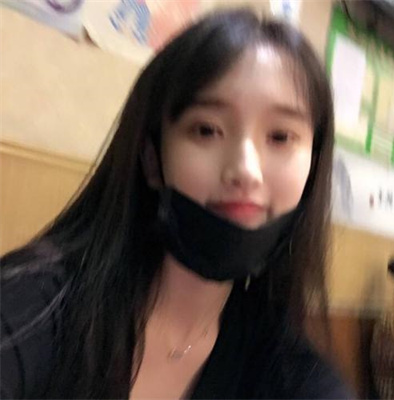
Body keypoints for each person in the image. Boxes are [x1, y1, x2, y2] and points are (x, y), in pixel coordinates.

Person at [1, 8, 354, 399]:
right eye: (206, 130)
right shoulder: (35, 304)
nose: (245, 171)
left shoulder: (288, 368)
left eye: (281, 137)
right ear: (152, 159)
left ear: (312, 168)